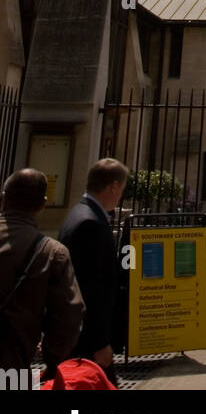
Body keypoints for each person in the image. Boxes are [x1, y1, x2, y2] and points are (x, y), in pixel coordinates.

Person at [0, 169, 84, 387]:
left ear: (3, 199)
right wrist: (52, 358)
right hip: (10, 369)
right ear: (42, 204)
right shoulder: (52, 252)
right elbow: (68, 319)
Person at [59, 157, 127, 386]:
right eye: (121, 189)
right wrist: (100, 342)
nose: (121, 196)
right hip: (86, 341)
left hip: (77, 336)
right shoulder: (90, 223)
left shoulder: (79, 213)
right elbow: (89, 289)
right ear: (114, 186)